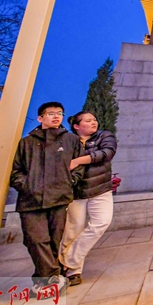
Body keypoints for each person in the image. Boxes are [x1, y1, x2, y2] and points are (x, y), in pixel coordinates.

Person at [10, 102, 84, 294]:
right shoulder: (26, 142)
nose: (56, 116)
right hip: (31, 201)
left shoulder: (71, 140)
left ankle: (44, 281)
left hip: (59, 197)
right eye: (51, 113)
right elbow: (16, 170)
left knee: (52, 241)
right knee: (35, 240)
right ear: (40, 118)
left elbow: (79, 166)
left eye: (60, 113)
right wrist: (27, 186)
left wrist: (70, 181)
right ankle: (52, 277)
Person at [58, 111, 117, 286]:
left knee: (101, 223)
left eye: (94, 119)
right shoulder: (68, 141)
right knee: (72, 230)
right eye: (88, 120)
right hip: (76, 192)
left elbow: (106, 153)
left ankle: (66, 260)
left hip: (100, 189)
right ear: (76, 126)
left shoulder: (104, 136)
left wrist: (77, 161)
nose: (94, 122)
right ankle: (73, 272)